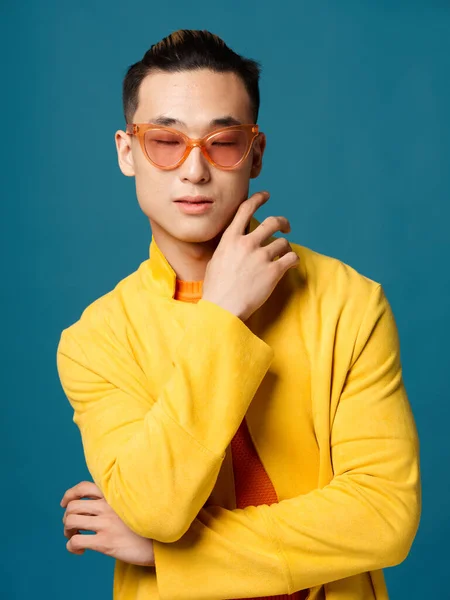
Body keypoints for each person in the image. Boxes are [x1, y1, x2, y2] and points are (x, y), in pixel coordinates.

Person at [56, 29, 421, 600]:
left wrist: (171, 555)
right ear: (128, 152)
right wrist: (222, 316)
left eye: (222, 142)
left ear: (255, 152)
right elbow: (156, 507)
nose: (194, 171)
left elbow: (384, 515)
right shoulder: (95, 340)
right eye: (165, 141)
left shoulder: (349, 301)